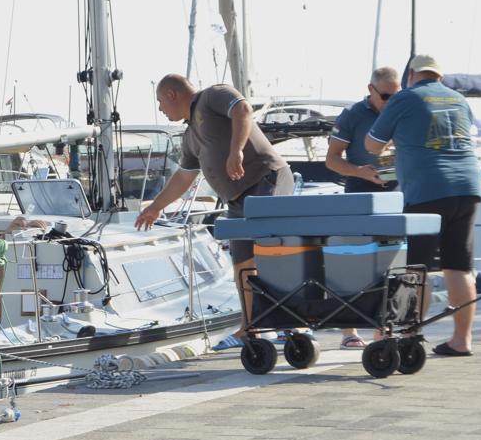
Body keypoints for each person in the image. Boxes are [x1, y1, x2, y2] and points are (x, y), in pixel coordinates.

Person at [135, 74, 293, 338]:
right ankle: (250, 327)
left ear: (172, 95)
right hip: (236, 199)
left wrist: (236, 150)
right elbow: (184, 177)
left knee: (270, 252)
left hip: (264, 180)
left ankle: (292, 322)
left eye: (160, 101)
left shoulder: (212, 95)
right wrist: (155, 207)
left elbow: (243, 110)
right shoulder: (189, 137)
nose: (161, 109)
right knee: (243, 263)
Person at [365, 55, 481, 356]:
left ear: (411, 75)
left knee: (416, 269)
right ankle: (462, 340)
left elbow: (372, 145)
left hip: (428, 190)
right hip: (469, 188)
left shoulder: (405, 98)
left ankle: (409, 336)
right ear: (439, 76)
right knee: (459, 267)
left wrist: (397, 140)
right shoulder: (459, 99)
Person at [327, 66, 400, 349]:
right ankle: (349, 331)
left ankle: (384, 327)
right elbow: (332, 160)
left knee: (390, 262)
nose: (391, 102)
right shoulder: (353, 115)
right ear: (371, 90)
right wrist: (360, 172)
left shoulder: (401, 111)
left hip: (394, 194)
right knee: (352, 260)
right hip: (359, 192)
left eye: (396, 96)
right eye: (386, 96)